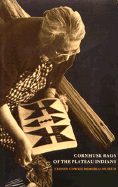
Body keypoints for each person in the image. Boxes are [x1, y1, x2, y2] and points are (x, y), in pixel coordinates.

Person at [0, 6, 85, 186]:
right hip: (3, 109)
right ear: (45, 41)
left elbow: (52, 84)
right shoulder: (14, 42)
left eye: (74, 51)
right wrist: (20, 138)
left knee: (36, 173)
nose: (68, 57)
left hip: (20, 113)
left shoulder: (67, 51)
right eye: (62, 51)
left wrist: (51, 103)